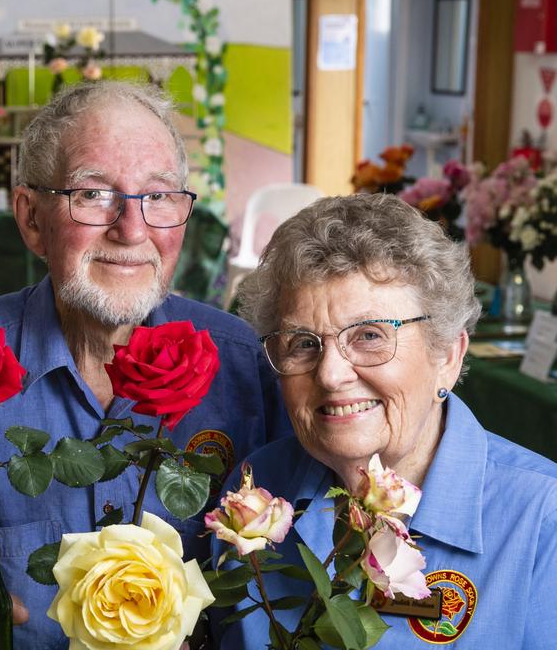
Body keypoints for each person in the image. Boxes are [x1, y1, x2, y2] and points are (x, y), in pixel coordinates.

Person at [0, 82, 291, 649]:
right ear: (32, 218)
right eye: (93, 194)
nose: (131, 230)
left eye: (158, 197)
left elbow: (289, 562)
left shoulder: (244, 364)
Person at [215, 193, 557, 647]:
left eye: (370, 335)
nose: (332, 374)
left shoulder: (541, 521)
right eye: (302, 342)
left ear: (448, 356)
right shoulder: (253, 494)